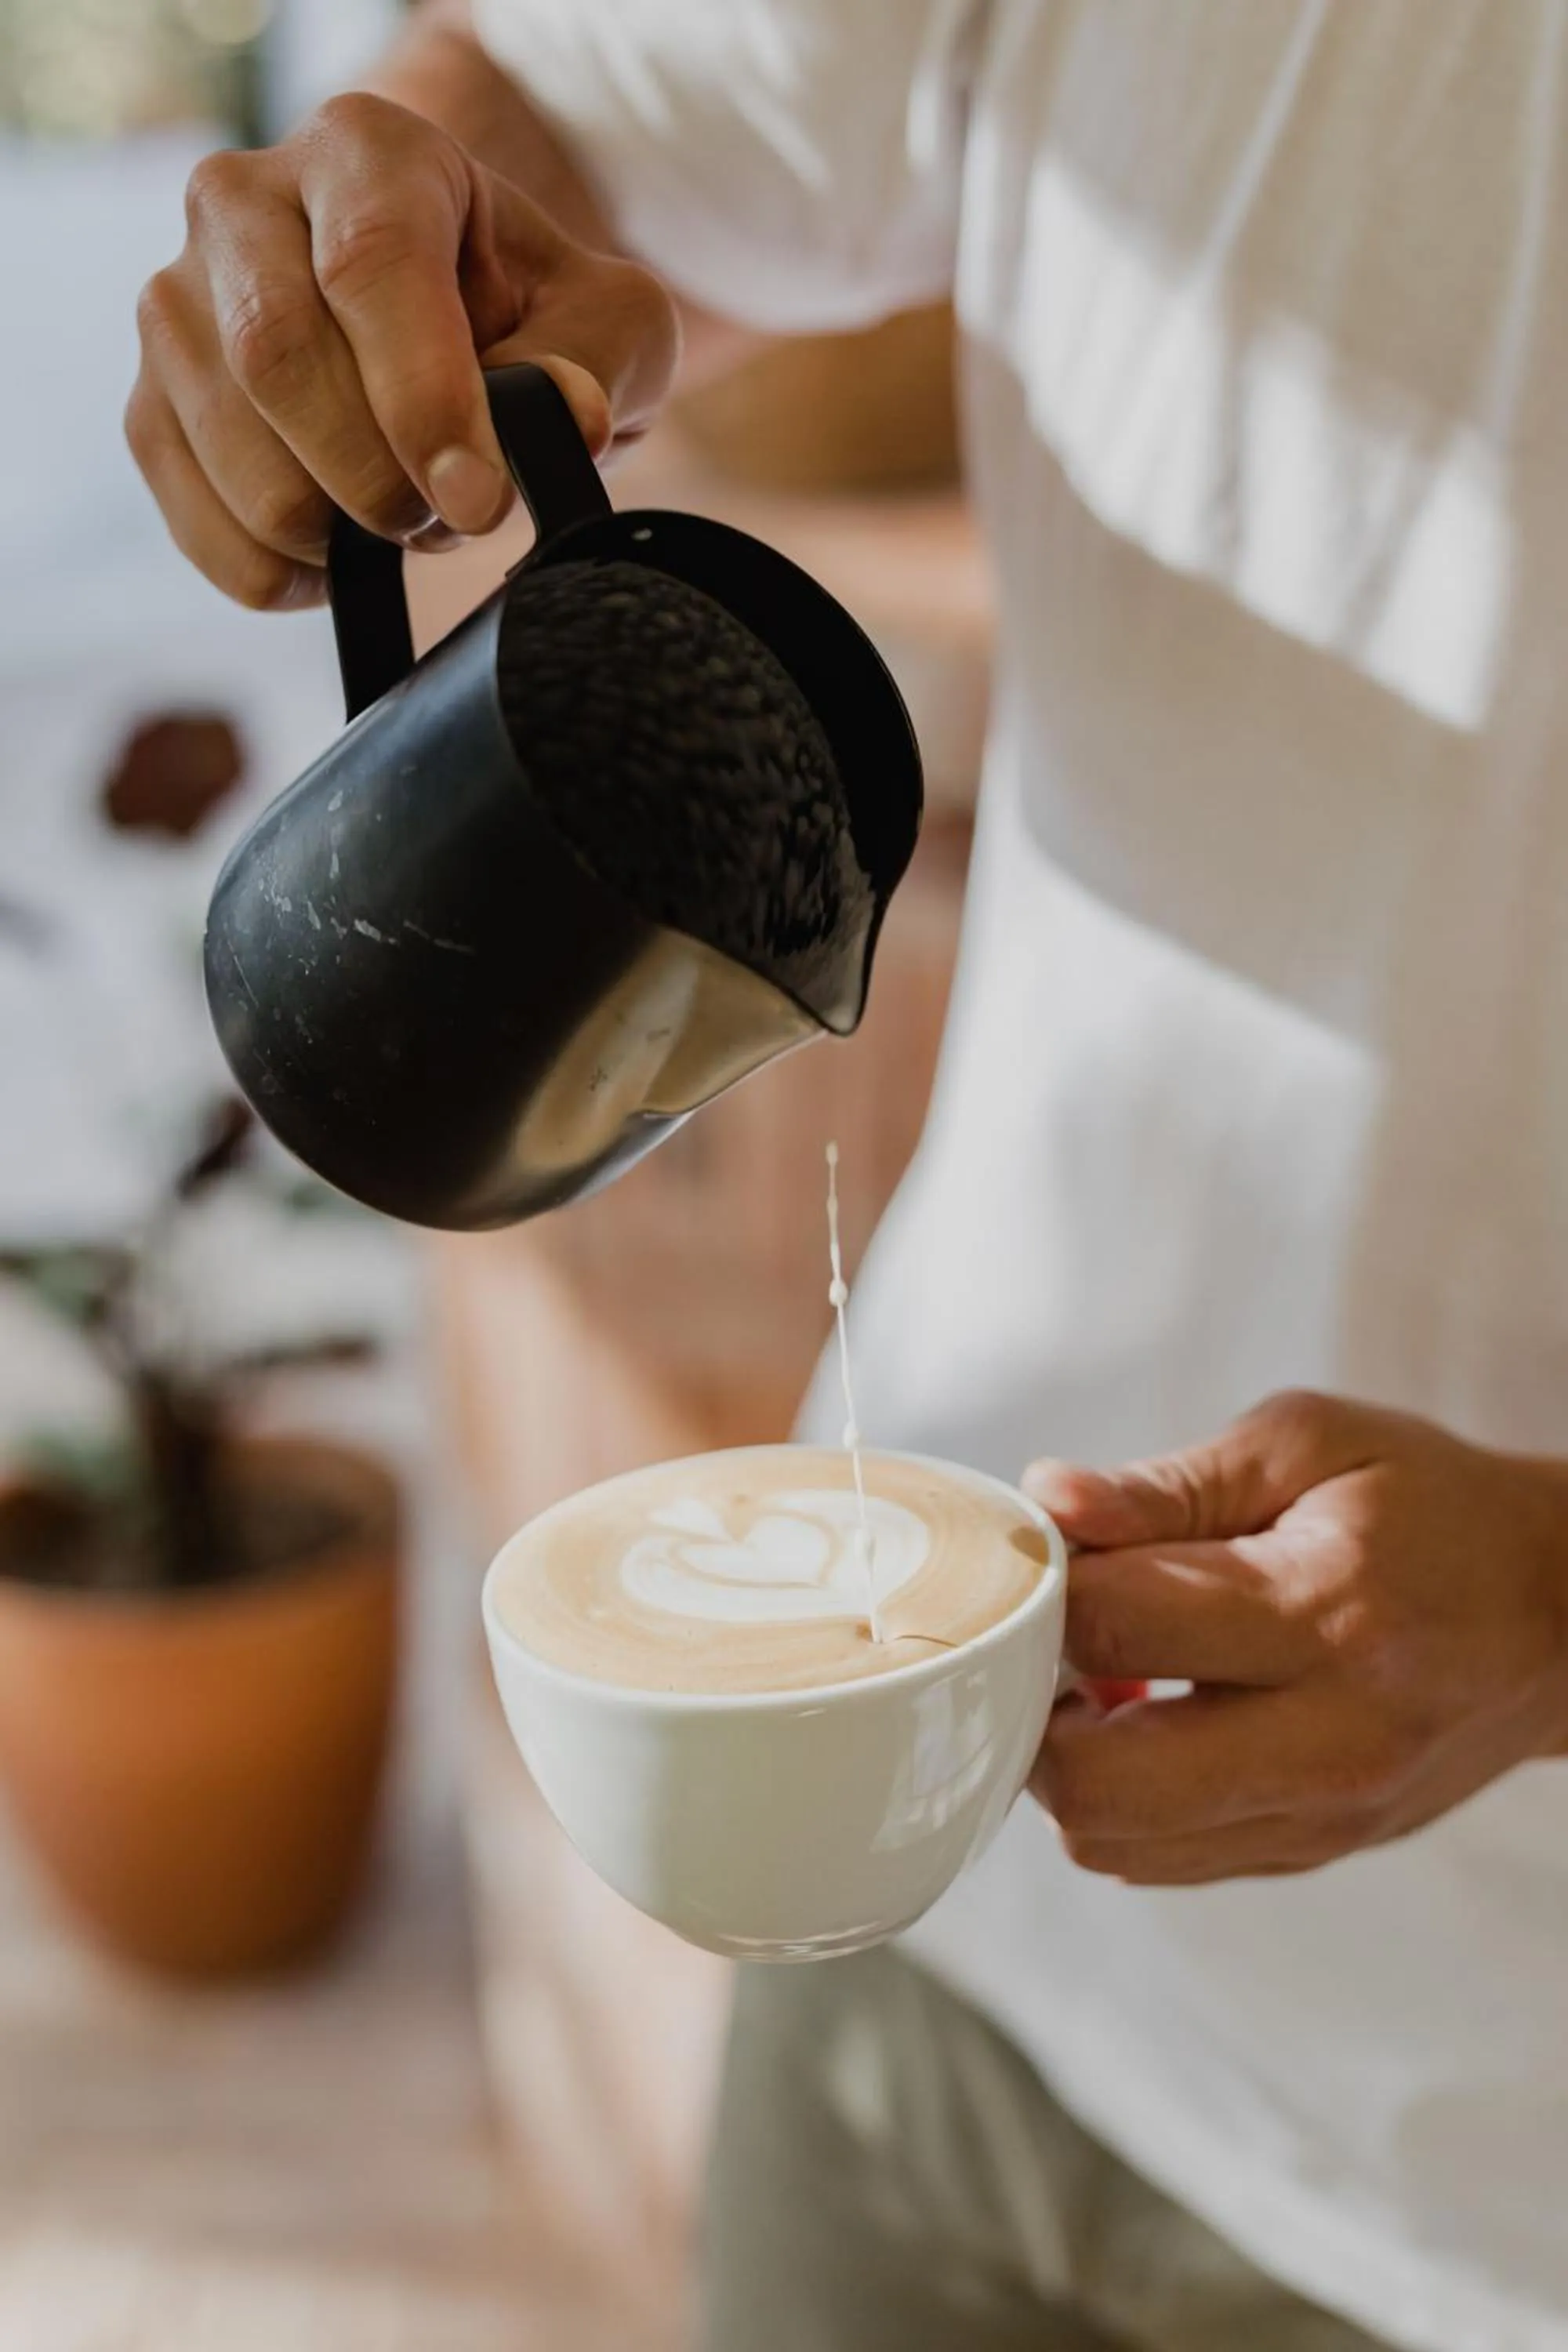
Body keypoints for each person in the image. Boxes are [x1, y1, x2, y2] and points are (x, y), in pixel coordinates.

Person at [128, 5, 1568, 2346]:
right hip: (925, 1898)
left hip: (1507, 2171)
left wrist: (1556, 1609)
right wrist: (394, 249)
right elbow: (566, 109)